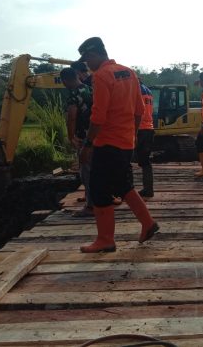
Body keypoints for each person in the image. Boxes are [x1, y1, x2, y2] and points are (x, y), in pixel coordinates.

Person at [78, 37, 159, 253]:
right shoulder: (129, 72)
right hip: (125, 142)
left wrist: (88, 145)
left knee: (98, 189)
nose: (86, 65)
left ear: (94, 55)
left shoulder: (102, 76)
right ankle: (148, 223)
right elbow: (139, 110)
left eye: (87, 60)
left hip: (107, 144)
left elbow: (98, 117)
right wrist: (131, 136)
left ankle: (106, 239)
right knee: (123, 185)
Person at [60, 67, 94, 217]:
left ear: (65, 80)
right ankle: (92, 198)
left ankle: (91, 206)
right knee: (96, 169)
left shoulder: (74, 95)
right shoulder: (90, 89)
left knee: (86, 170)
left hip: (84, 136)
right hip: (96, 134)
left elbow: (72, 117)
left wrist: (70, 136)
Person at [137, 81, 155, 198]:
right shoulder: (148, 91)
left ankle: (126, 191)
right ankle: (148, 189)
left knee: (127, 160)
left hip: (140, 129)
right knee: (145, 161)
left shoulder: (137, 90)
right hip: (149, 128)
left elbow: (137, 112)